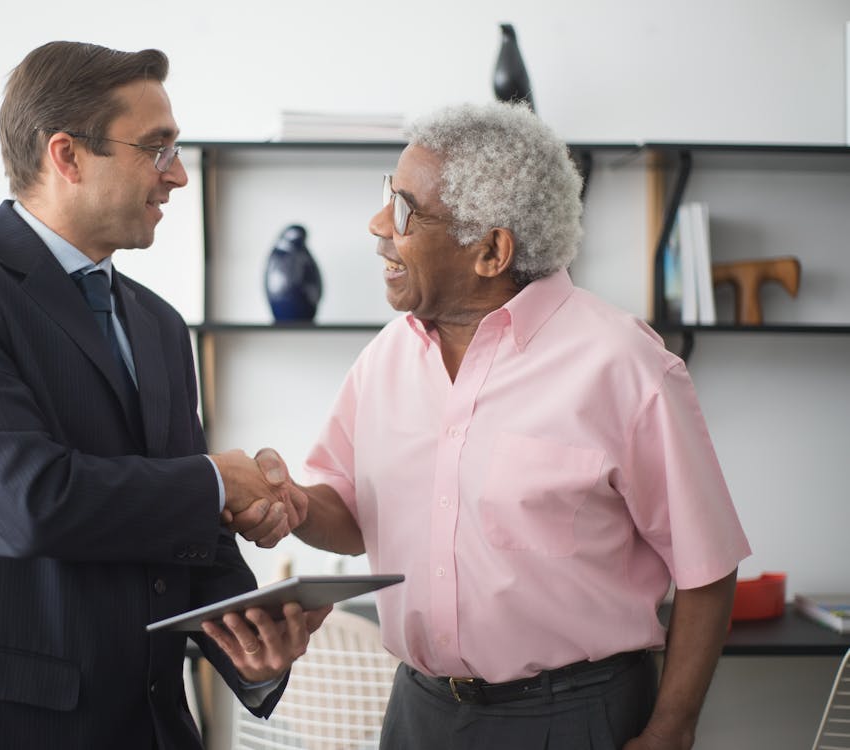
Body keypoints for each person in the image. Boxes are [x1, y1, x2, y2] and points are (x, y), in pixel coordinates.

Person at [0, 41, 325, 750]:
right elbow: (30, 503)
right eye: (156, 148)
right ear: (67, 156)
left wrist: (253, 644)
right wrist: (217, 480)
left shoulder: (159, 324)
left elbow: (191, 539)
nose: (177, 174)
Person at [280, 101, 751, 749]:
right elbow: (350, 516)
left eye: (405, 210)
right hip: (418, 710)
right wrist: (289, 502)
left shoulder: (623, 363)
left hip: (574, 717)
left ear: (492, 250)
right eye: (386, 197)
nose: (377, 226)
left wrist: (673, 726)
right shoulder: (386, 356)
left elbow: (708, 566)